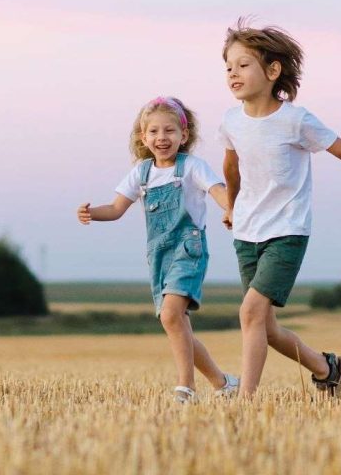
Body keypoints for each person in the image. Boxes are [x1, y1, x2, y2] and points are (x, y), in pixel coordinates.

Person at [218, 18, 341, 398]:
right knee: (265, 327)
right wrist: (232, 206)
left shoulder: (296, 120)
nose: (232, 73)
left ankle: (246, 401)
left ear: (273, 71)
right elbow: (231, 166)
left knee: (250, 313)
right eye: (228, 67)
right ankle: (328, 368)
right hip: (247, 232)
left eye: (243, 65)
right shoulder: (231, 122)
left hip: (286, 231)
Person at [77, 96, 240, 403]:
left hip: (188, 251)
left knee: (169, 317)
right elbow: (116, 208)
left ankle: (186, 387)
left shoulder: (192, 167)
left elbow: (217, 191)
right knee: (178, 326)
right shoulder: (142, 173)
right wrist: (91, 213)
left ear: (184, 135)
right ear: (143, 136)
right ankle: (223, 384)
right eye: (153, 132)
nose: (161, 138)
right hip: (159, 256)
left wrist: (230, 209)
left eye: (169, 131)